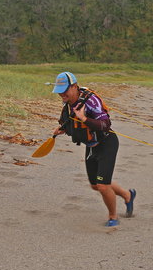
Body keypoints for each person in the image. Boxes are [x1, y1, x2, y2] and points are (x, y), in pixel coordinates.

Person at [50, 71, 136, 227]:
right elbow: (73, 125)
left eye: (64, 90)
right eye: (59, 91)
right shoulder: (69, 104)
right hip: (91, 148)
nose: (61, 94)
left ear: (74, 86)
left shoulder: (91, 102)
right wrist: (63, 129)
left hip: (107, 143)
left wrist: (84, 118)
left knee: (103, 186)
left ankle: (113, 217)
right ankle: (127, 195)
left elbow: (105, 125)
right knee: (96, 185)